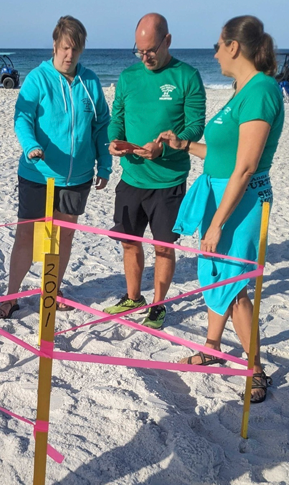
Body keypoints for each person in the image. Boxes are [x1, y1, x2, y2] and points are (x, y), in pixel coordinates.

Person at [157, 15, 284, 403]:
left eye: (217, 45)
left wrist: (216, 223)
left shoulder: (261, 90)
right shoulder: (241, 88)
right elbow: (224, 156)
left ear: (233, 46)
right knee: (214, 276)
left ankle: (256, 369)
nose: (213, 54)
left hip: (241, 201)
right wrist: (185, 147)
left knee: (233, 285)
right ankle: (214, 346)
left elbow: (245, 168)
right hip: (219, 192)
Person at [0, 15, 111, 320]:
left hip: (79, 177)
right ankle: (12, 296)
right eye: (65, 48)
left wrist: (105, 164)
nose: (70, 55)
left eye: (76, 49)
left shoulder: (90, 82)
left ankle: (53, 289)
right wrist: (30, 144)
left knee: (63, 236)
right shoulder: (38, 78)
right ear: (55, 46)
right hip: (38, 174)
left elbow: (101, 126)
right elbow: (22, 117)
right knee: (27, 237)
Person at [104, 13, 206, 329]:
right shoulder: (128, 77)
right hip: (132, 177)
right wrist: (114, 141)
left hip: (169, 181)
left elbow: (195, 126)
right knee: (129, 241)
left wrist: (166, 146)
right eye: (139, 50)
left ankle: (158, 306)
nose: (145, 57)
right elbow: (116, 118)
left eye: (150, 50)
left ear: (168, 41)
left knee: (164, 247)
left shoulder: (187, 76)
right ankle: (134, 297)